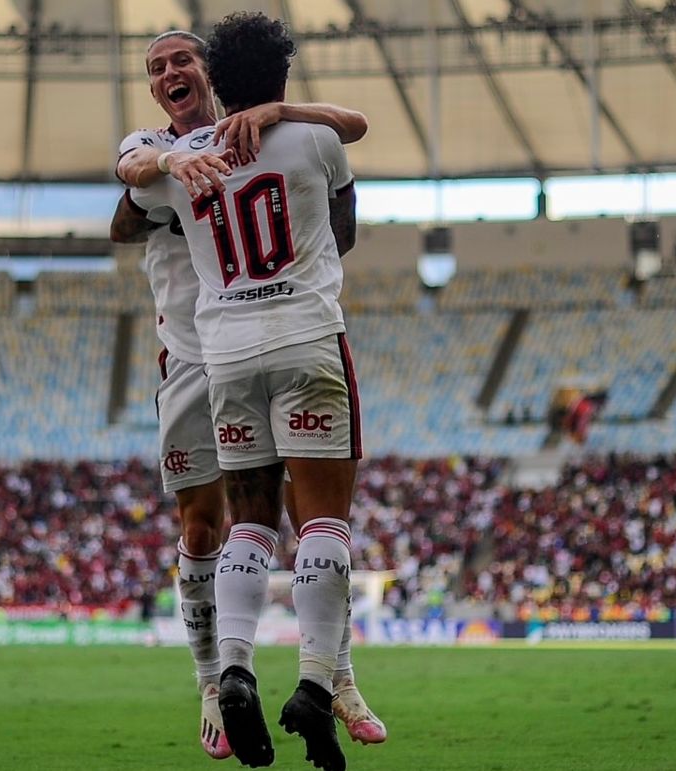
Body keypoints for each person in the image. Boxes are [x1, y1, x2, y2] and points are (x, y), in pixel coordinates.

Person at [110, 28, 383, 763]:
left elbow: (137, 196)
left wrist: (259, 122)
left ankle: (327, 675)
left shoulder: (209, 156)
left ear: (209, 73)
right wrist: (177, 156)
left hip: (228, 345)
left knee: (259, 522)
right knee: (245, 523)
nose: (170, 71)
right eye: (157, 66)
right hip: (212, 352)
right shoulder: (160, 148)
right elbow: (124, 206)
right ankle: (234, 683)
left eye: (182, 60)